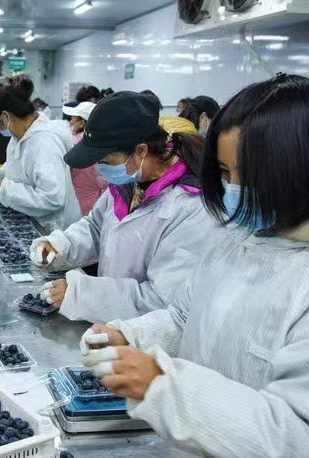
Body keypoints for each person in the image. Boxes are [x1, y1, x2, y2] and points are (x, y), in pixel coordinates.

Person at [80, 74, 309, 457]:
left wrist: (165, 387)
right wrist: (130, 336)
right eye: (224, 173)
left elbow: (293, 436)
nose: (232, 189)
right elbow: (186, 317)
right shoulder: (234, 240)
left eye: (250, 176)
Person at [33, 92, 219, 324]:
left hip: (144, 339)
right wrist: (61, 245)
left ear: (141, 151)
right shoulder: (127, 182)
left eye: (106, 161)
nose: (100, 169)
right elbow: (95, 227)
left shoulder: (190, 208)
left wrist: (82, 295)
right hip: (110, 325)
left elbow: (162, 301)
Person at [0, 78, 81, 232]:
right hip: (30, 220)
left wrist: (5, 191)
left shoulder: (44, 143)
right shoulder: (19, 137)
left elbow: (52, 198)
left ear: (5, 117)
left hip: (49, 229)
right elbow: (18, 170)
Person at [62, 101, 106, 215]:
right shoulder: (102, 142)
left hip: (80, 199)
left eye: (73, 119)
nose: (70, 122)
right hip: (101, 198)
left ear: (81, 123)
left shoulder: (74, 142)